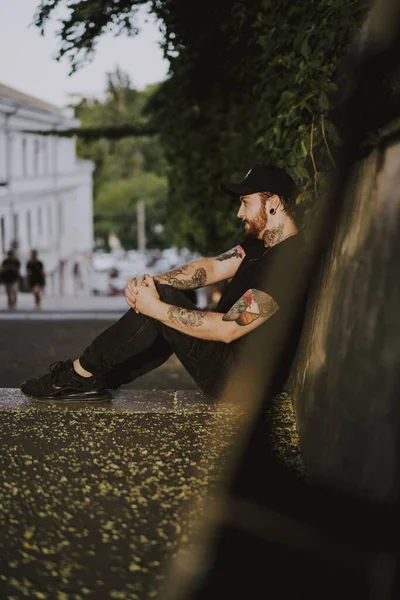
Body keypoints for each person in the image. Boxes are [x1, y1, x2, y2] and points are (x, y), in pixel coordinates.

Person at [20, 164, 305, 403]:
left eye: (245, 202)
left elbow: (228, 329)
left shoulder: (289, 262)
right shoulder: (261, 245)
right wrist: (148, 282)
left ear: (273, 203)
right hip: (229, 365)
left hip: (240, 381)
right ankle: (92, 378)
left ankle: (78, 374)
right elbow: (211, 267)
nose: (239, 213)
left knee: (162, 306)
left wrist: (154, 306)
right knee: (162, 296)